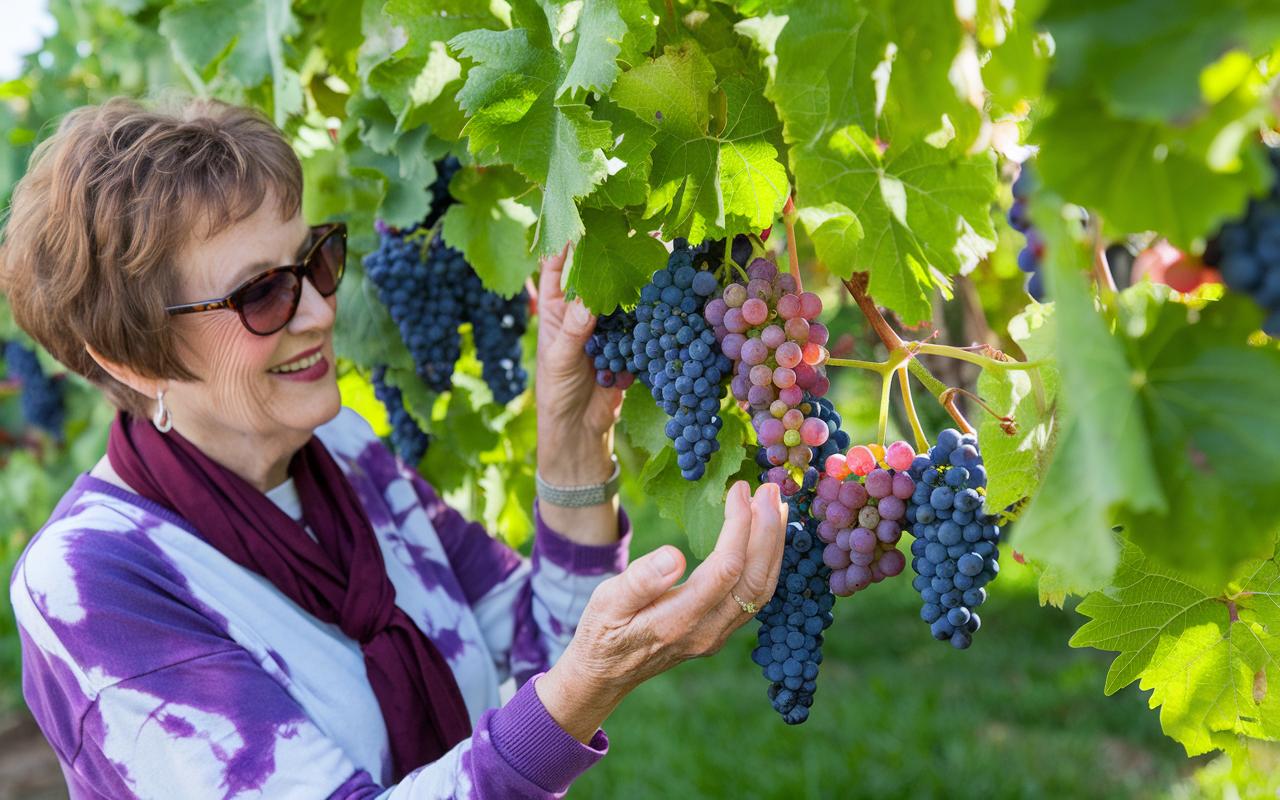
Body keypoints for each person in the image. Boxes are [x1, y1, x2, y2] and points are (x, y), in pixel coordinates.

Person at [0, 96, 785, 799]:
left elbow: (539, 652)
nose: (315, 311)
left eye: (316, 261)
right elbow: (557, 694)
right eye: (261, 292)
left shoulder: (340, 450)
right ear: (132, 358)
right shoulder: (90, 583)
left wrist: (574, 443)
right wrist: (582, 693)